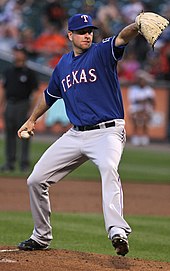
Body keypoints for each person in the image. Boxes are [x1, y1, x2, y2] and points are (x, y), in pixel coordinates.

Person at [17, 13, 140, 256]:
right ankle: (41, 236)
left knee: (108, 168)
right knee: (35, 179)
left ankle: (117, 230)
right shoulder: (63, 65)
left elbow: (123, 37)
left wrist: (136, 25)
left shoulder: (101, 51)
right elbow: (49, 96)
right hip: (75, 135)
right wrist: (32, 120)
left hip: (107, 132)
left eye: (90, 30)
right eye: (82, 31)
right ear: (70, 35)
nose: (87, 34)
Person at [0, 43, 39, 172]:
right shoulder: (8, 72)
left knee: (24, 135)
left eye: (19, 52)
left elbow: (34, 93)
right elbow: (4, 91)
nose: (17, 54)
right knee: (9, 135)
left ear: (24, 55)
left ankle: (24, 164)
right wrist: (2, 106)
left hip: (23, 104)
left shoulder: (29, 72)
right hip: (10, 104)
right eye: (15, 51)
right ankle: (9, 163)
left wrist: (31, 111)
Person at [127, 70, 155, 146]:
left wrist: (146, 103)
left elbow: (152, 101)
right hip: (136, 108)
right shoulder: (133, 89)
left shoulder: (149, 89)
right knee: (135, 123)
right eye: (140, 80)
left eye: (143, 80)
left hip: (146, 108)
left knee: (145, 123)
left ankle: (144, 138)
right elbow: (133, 100)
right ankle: (135, 137)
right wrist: (144, 100)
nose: (142, 81)